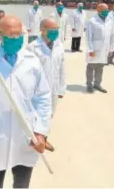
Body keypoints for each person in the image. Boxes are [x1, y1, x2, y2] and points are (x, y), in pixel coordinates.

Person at [0, 15, 51, 189]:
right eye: (10, 36)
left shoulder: (32, 60)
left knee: (22, 182)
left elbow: (42, 97)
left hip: (26, 132)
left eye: (19, 35)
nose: (16, 39)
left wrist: (41, 132)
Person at [27, 17, 66, 153]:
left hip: (54, 88)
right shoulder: (32, 48)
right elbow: (27, 72)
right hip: (37, 90)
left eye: (57, 29)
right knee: (35, 114)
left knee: (49, 115)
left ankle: (44, 138)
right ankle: (32, 138)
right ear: (42, 30)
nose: (55, 32)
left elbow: (62, 67)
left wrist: (62, 88)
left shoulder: (59, 45)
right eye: (52, 29)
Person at [85, 3, 114, 93]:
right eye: (104, 10)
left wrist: (111, 49)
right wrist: (90, 50)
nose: (106, 12)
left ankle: (97, 84)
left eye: (107, 10)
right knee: (91, 67)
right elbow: (88, 37)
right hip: (94, 48)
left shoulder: (110, 21)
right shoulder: (92, 21)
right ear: (98, 10)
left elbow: (112, 35)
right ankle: (89, 84)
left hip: (104, 49)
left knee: (100, 67)